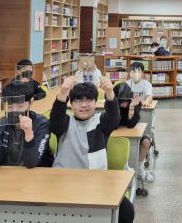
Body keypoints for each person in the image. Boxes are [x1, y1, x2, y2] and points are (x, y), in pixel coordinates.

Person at [50, 76, 134, 223]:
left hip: (96, 182)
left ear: (96, 103)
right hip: (64, 181)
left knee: (126, 211)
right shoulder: (66, 122)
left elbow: (114, 118)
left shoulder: (100, 122)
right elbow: (55, 122)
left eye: (89, 100)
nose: (83, 105)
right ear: (71, 104)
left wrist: (109, 93)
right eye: (78, 101)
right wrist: (62, 93)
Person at [0, 81, 54, 168]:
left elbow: (31, 163)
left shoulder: (42, 124)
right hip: (7, 173)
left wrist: (29, 133)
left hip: (37, 173)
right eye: (9, 106)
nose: (14, 111)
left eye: (20, 106)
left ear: (30, 103)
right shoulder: (0, 125)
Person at [114, 82, 155, 183]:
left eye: (126, 100)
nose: (124, 103)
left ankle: (139, 170)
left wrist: (131, 106)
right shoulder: (112, 105)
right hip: (115, 134)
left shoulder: (135, 103)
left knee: (146, 142)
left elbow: (131, 124)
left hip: (132, 132)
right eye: (121, 101)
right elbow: (114, 123)